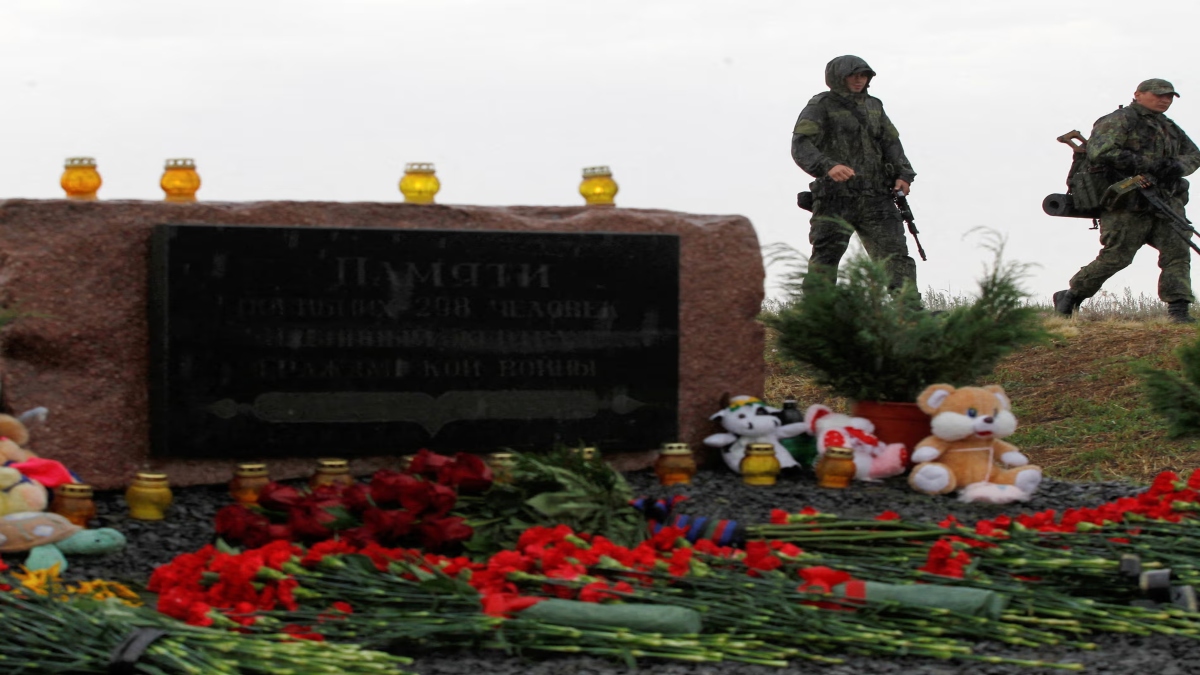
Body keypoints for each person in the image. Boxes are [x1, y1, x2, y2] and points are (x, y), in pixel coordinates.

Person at [1054, 78, 1200, 323]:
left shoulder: (1168, 126)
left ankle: (1179, 311)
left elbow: (1194, 155)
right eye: (1159, 95)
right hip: (1127, 202)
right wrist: (1148, 165)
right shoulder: (1120, 119)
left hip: (1165, 201)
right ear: (1138, 94)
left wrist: (1173, 166)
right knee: (1117, 256)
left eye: (1169, 96)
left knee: (1177, 252)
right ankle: (1071, 296)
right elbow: (1101, 152)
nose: (1165, 100)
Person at [791, 55, 917, 291]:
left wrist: (903, 175)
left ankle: (907, 308)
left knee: (895, 256)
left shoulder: (874, 106)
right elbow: (801, 144)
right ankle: (817, 309)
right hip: (835, 198)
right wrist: (827, 166)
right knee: (826, 258)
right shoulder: (821, 106)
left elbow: (891, 143)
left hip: (876, 196)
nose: (859, 80)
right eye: (853, 76)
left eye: (863, 76)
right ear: (838, 77)